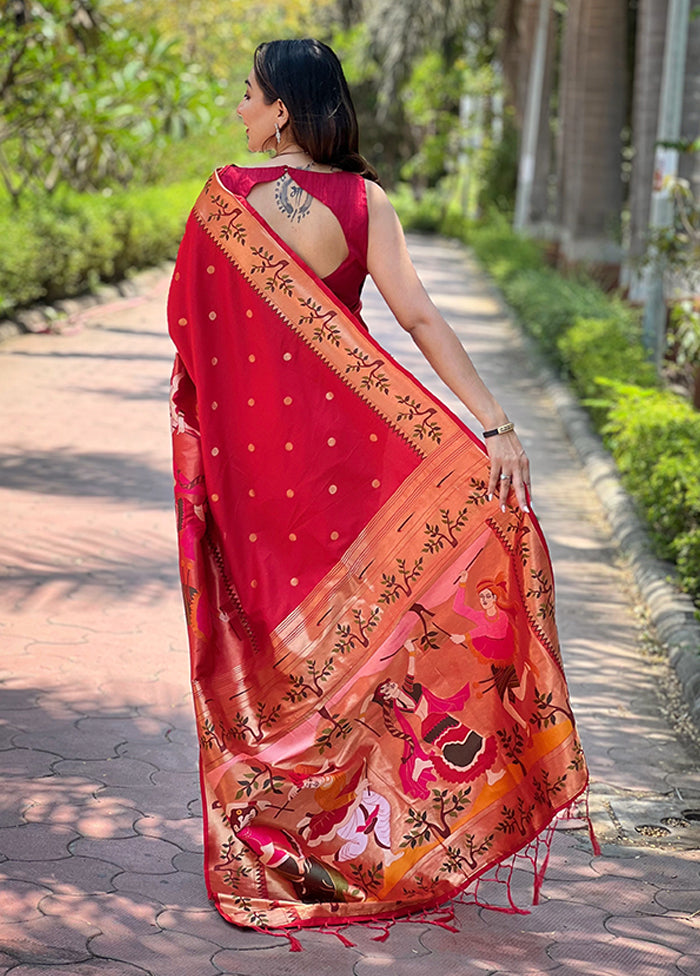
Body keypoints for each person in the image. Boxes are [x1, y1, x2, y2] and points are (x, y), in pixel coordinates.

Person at [168, 38, 589, 940]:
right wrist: (493, 426)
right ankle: (376, 837)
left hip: (262, 475)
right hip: (359, 468)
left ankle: (295, 830)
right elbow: (419, 316)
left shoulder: (222, 204)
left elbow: (193, 340)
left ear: (282, 109)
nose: (239, 109)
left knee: (292, 649)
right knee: (383, 640)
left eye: (248, 95)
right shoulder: (365, 202)